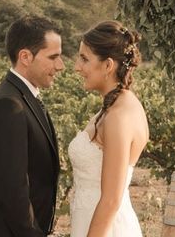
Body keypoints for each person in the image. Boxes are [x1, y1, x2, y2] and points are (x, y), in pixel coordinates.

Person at [0, 15, 64, 237]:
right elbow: (12, 193)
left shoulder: (21, 97)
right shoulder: (8, 106)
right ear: (25, 56)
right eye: (53, 57)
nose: (60, 66)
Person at [68, 20, 149, 237]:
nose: (77, 67)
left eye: (85, 59)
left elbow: (112, 199)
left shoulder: (119, 117)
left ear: (108, 65)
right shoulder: (114, 107)